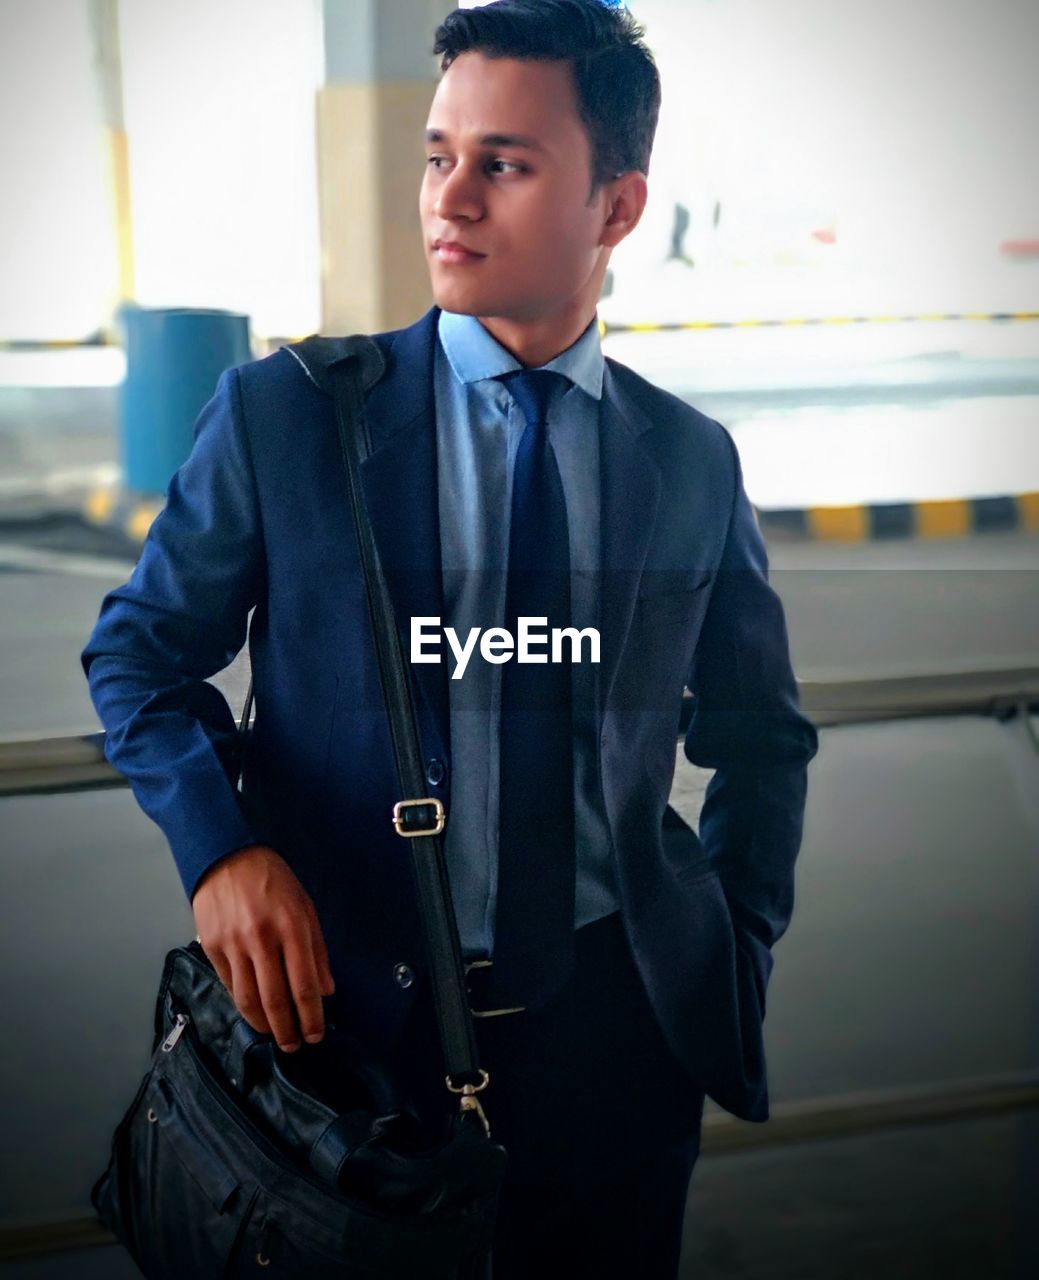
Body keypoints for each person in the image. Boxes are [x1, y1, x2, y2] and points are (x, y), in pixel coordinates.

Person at [82, 1, 818, 1274]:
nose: (452, 198)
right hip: (350, 1037)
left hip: (617, 1045)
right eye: (439, 154)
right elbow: (139, 656)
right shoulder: (291, 417)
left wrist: (730, 935)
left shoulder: (688, 461)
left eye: (505, 163)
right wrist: (222, 852)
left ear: (617, 207)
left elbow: (761, 732)